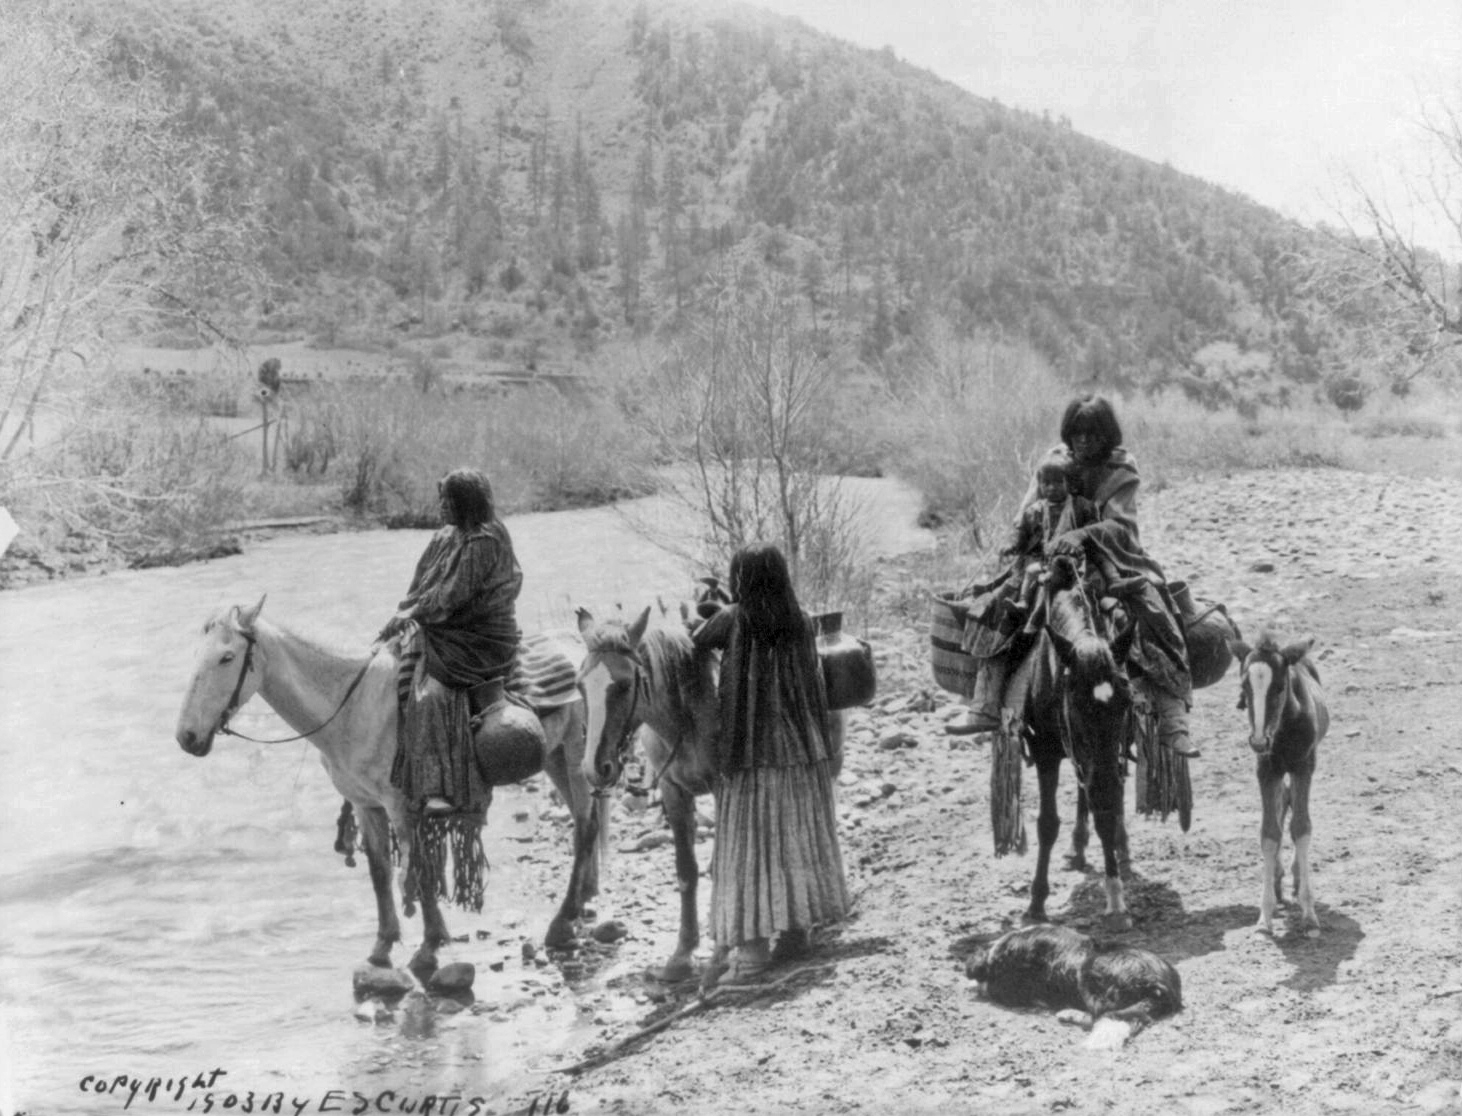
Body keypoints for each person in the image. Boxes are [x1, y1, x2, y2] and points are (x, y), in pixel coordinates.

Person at [947, 395, 1199, 759]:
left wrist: (1083, 535)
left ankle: (1173, 722)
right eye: (1078, 433)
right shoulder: (1054, 461)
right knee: (997, 609)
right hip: (1047, 557)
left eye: (1093, 434)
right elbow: (1027, 511)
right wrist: (1022, 539)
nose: (1084, 441)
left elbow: (1122, 525)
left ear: (1106, 435)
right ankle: (985, 704)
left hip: (1108, 558)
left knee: (1151, 615)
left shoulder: (1121, 469)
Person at [691, 543, 850, 987]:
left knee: (753, 849)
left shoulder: (735, 617)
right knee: (795, 842)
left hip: (755, 753)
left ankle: (752, 956)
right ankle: (797, 932)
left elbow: (697, 641)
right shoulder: (800, 619)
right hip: (803, 750)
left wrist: (709, 605)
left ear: (741, 579)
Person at [379, 468, 524, 816]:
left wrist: (413, 613)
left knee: (430, 694)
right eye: (441, 499)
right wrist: (405, 610)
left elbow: (452, 595)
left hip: (480, 636)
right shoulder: (448, 535)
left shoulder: (484, 539)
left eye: (447, 500)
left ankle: (439, 789)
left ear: (465, 502)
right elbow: (424, 583)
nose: (441, 507)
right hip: (449, 625)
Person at [1004, 446, 1098, 628]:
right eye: (1046, 483)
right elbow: (1023, 536)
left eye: (1057, 482)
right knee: (1030, 571)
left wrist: (1081, 538)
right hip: (1045, 559)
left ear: (1069, 483)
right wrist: (1013, 546)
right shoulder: (1035, 511)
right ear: (1039, 486)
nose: (1051, 488)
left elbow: (1092, 529)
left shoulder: (1082, 506)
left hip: (1074, 559)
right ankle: (1023, 602)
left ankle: (1040, 616)